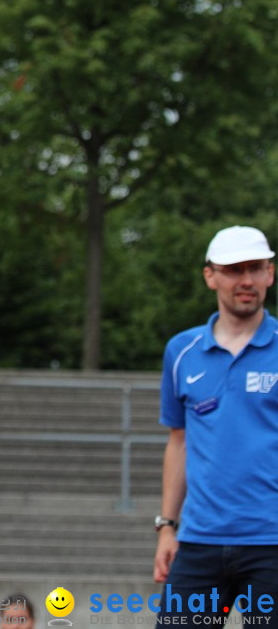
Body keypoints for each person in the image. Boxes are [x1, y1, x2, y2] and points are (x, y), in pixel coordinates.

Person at [152, 225, 278, 625]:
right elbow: (179, 442)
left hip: (273, 543)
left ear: (270, 273)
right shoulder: (181, 351)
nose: (246, 280)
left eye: (255, 268)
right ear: (210, 276)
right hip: (199, 541)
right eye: (233, 269)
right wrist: (167, 528)